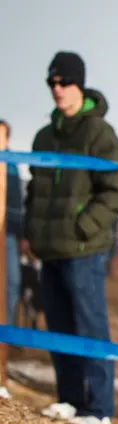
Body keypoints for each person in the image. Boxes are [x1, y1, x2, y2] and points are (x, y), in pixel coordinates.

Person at [24, 51, 118, 424]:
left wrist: (85, 227)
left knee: (90, 327)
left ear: (79, 84)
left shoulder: (99, 133)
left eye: (63, 82)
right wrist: (33, 234)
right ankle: (69, 399)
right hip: (49, 250)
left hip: (84, 251)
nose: (57, 89)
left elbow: (116, 190)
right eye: (51, 82)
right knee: (59, 326)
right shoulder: (43, 135)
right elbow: (35, 189)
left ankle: (99, 410)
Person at [1, 119, 23, 325]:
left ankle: (4, 333)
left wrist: (20, 233)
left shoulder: (13, 165)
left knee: (11, 282)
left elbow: (17, 201)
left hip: (7, 233)